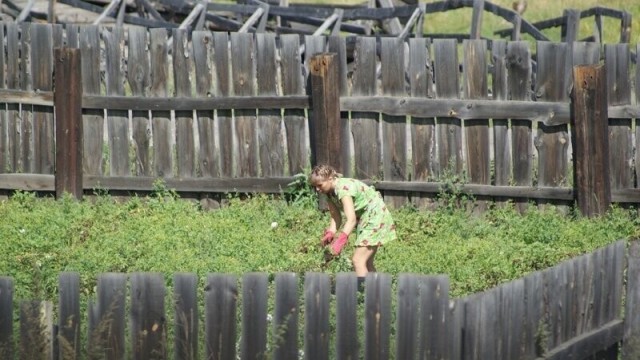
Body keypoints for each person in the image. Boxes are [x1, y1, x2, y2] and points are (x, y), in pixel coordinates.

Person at [309, 164, 397, 284]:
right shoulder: (329, 192)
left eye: (319, 185)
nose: (317, 189)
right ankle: (377, 294)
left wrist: (340, 241)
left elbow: (351, 220)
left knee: (358, 260)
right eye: (315, 187)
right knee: (366, 262)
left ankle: (365, 295)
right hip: (364, 219)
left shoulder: (344, 189)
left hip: (375, 217)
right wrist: (331, 232)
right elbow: (336, 217)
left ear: (330, 178)